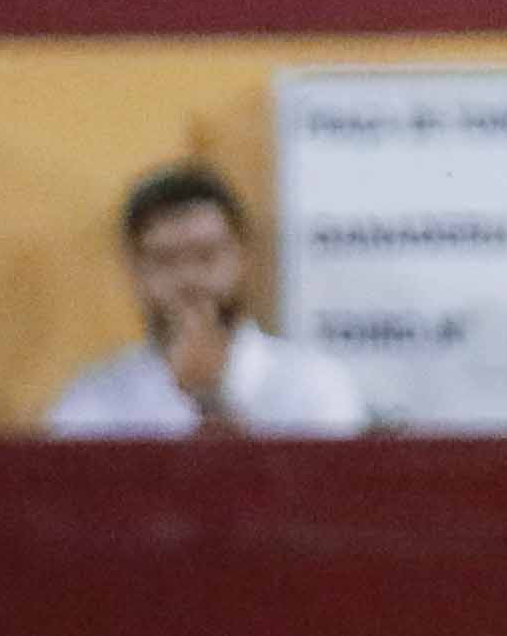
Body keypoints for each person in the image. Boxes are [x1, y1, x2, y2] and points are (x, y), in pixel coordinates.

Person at [49, 161, 376, 434]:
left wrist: (209, 399)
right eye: (165, 260)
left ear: (242, 258)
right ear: (135, 270)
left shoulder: (313, 387)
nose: (189, 280)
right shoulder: (94, 402)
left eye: (206, 256)